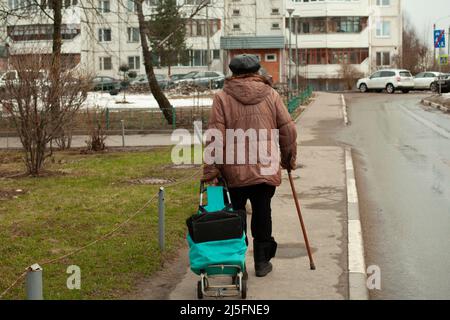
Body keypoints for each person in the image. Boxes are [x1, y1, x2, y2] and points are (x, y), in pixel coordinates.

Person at [202, 54, 297, 277]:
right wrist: (288, 159)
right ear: (257, 71)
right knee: (263, 212)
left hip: (233, 171)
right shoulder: (271, 94)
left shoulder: (222, 97)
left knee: (235, 215)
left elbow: (215, 135)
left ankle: (237, 263)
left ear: (232, 73)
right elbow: (288, 130)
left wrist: (211, 170)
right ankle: (262, 262)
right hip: (265, 167)